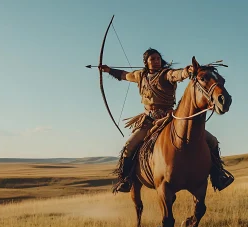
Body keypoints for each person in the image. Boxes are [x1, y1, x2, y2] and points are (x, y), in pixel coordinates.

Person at [99, 48, 234, 193]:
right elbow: (125, 75)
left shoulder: (166, 74)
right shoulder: (140, 75)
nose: (156, 61)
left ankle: (218, 175)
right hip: (149, 120)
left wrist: (187, 71)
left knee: (212, 141)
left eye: (158, 58)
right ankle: (126, 179)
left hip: (169, 118)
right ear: (146, 62)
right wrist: (108, 70)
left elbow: (176, 75)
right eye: (152, 59)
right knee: (129, 145)